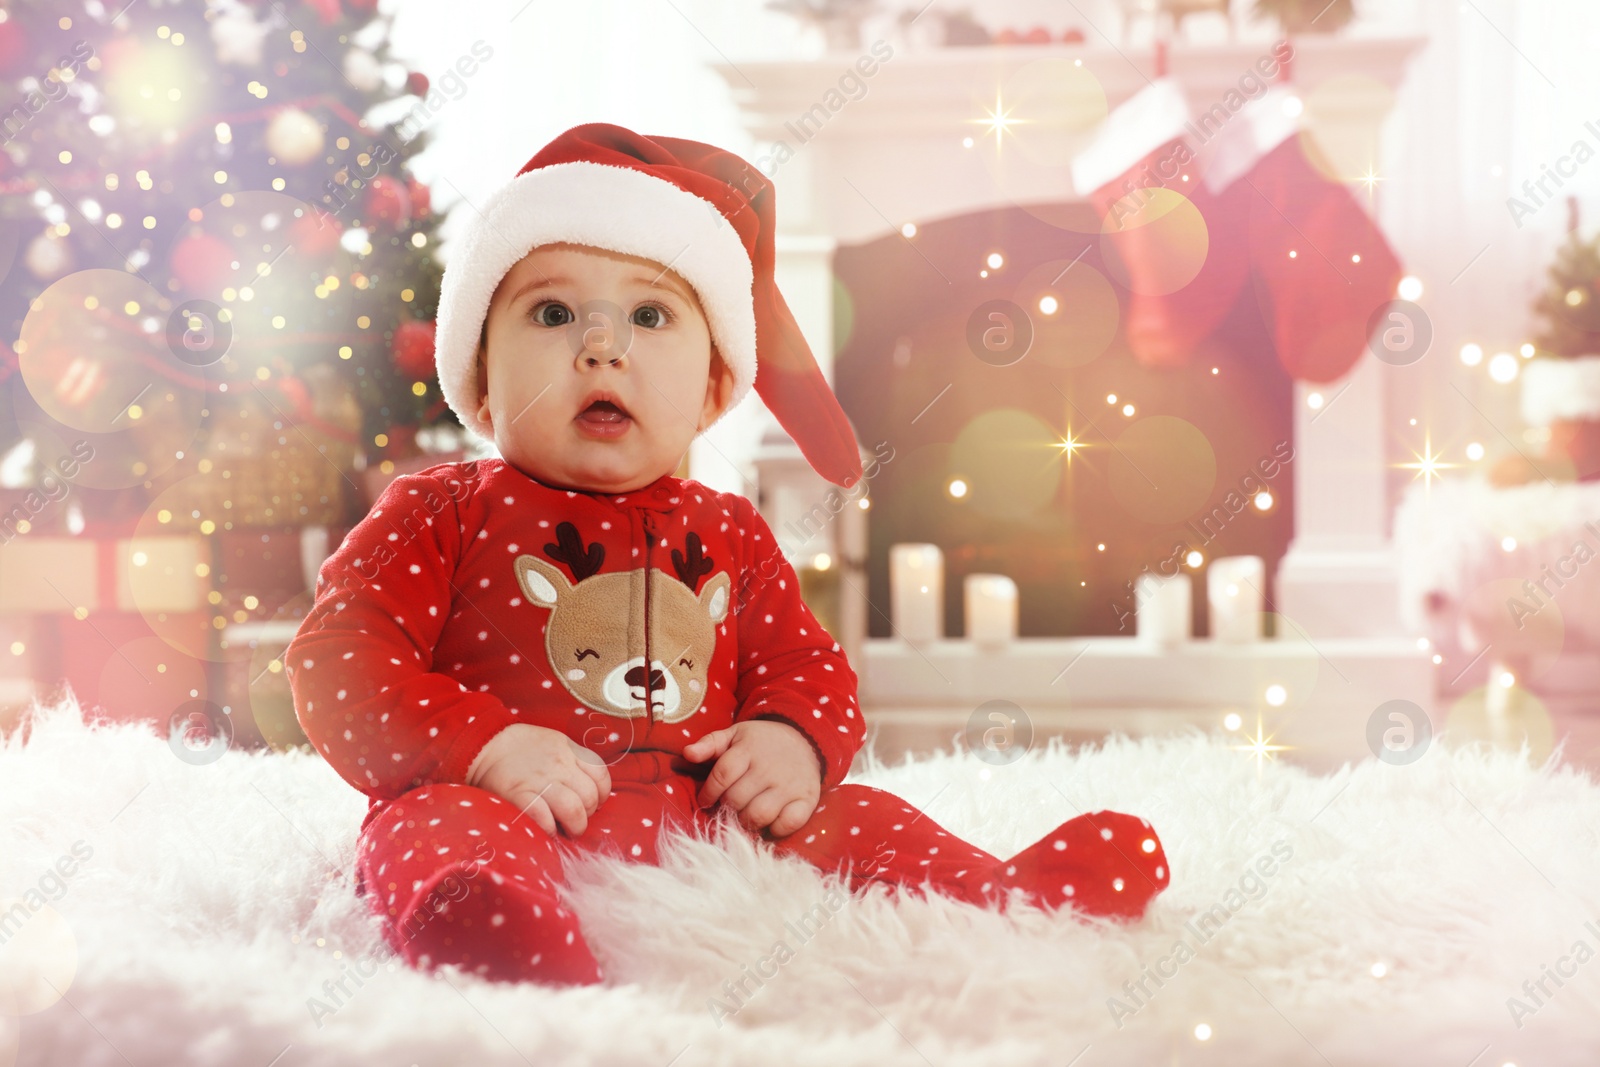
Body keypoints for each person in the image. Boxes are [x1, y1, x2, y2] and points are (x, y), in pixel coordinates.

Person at [286, 122, 1170, 986]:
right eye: (553, 312)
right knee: (433, 829)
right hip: (509, 809)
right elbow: (339, 663)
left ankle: (1004, 890)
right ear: (479, 374)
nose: (603, 344)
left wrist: (791, 740)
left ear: (713, 387)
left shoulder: (733, 532)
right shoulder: (440, 512)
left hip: (712, 823)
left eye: (651, 314)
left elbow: (807, 664)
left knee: (853, 816)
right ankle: (495, 924)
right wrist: (479, 746)